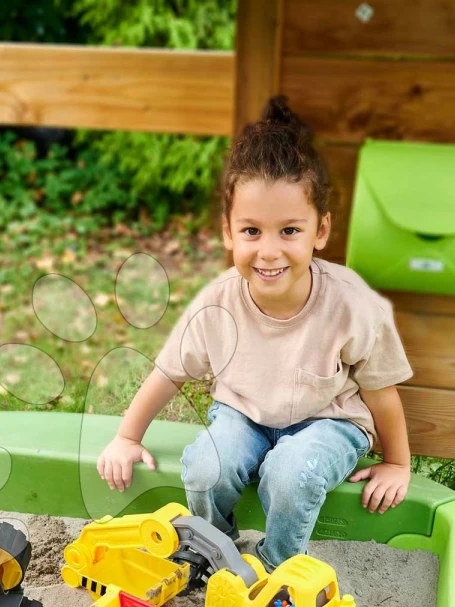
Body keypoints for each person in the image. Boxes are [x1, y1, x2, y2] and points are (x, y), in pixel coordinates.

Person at [96, 96, 414, 571]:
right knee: (207, 467)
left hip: (329, 420)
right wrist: (126, 436)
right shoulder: (218, 301)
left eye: (289, 231)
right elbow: (169, 372)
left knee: (290, 474)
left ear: (320, 230)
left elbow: (381, 391)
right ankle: (215, 554)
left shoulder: (351, 303)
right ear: (228, 231)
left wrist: (398, 463)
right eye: (251, 231)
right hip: (243, 415)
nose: (268, 251)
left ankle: (277, 566)